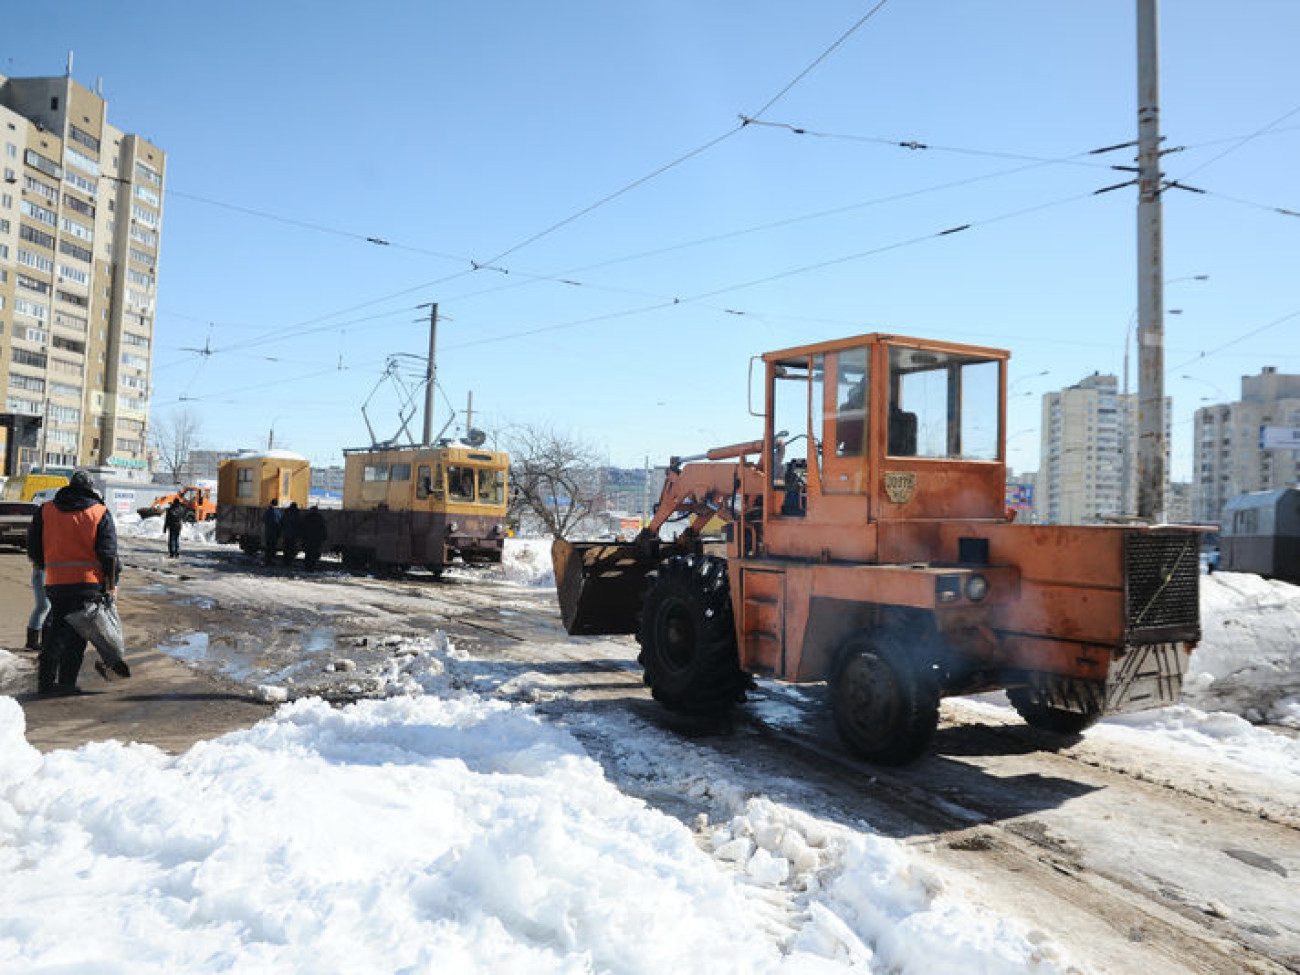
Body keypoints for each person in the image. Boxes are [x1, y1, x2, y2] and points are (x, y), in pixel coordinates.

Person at [27, 470, 127, 695]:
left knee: (54, 631)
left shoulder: (46, 510)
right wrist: (111, 585)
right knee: (77, 636)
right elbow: (109, 555)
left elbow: (33, 546)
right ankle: (66, 683)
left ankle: (45, 682)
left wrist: (48, 565)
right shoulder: (99, 512)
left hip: (55, 583)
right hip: (88, 585)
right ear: (91, 488)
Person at [301, 505, 327, 572]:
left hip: (308, 539)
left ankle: (307, 567)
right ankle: (312, 568)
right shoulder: (320, 518)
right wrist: (324, 538)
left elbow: (302, 528)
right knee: (314, 554)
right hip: (316, 540)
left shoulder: (306, 517)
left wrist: (302, 538)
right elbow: (323, 529)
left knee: (308, 554)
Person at [280, 501, 302, 567]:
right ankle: (290, 561)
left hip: (286, 534)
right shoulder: (297, 515)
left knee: (286, 548)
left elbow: (281, 523)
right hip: (294, 535)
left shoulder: (286, 514)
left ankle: (285, 561)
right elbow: (299, 525)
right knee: (292, 549)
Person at [263, 498, 282, 566]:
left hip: (268, 532)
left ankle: (267, 560)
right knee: (272, 548)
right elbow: (279, 522)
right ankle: (270, 561)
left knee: (268, 547)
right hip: (274, 533)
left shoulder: (267, 511)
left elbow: (264, 519)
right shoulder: (277, 512)